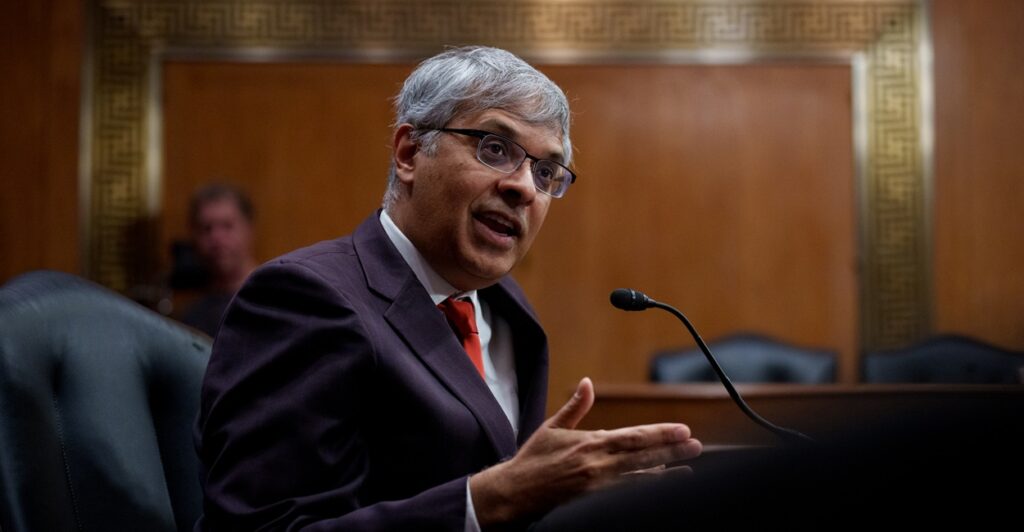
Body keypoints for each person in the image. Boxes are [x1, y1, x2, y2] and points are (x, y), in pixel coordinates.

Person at [195, 46, 702, 530]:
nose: (524, 186)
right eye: (495, 148)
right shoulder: (302, 299)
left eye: (546, 170)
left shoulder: (507, 310)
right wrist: (493, 499)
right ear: (410, 152)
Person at [179, 183, 258, 336]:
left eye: (227, 226)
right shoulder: (193, 316)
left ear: (248, 228)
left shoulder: (275, 299)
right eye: (206, 228)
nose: (216, 238)